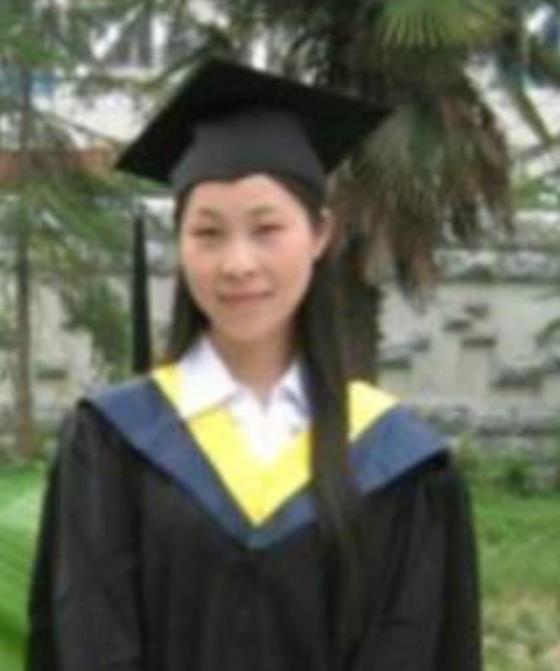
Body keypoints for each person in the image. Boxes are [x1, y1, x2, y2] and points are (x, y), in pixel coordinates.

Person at [26, 59, 482, 671]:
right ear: (180, 242)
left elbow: (417, 647)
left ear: (319, 234)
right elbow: (86, 638)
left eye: (267, 228)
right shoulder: (114, 442)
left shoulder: (399, 461)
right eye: (208, 233)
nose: (237, 263)